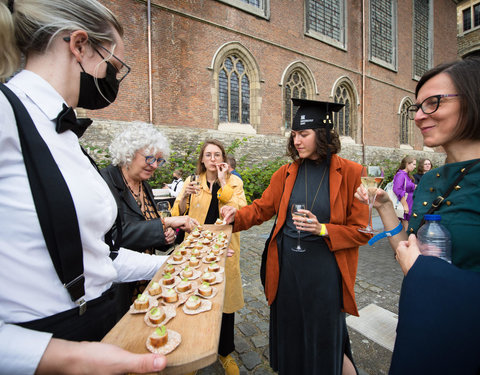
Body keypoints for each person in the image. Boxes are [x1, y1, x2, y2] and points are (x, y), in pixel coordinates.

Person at [0, 0, 167, 373]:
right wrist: (69, 359)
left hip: (105, 324)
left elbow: (99, 260)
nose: (111, 78)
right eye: (113, 65)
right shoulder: (5, 113)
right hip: (55, 345)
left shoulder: (66, 136)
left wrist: (170, 265)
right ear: (78, 45)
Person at [222, 99, 371, 375]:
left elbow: (363, 231)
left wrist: (322, 229)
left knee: (326, 339)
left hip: (324, 273)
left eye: (304, 134)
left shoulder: (352, 173)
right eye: (294, 135)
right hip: (287, 270)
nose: (297, 141)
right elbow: (261, 208)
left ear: (322, 134)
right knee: (291, 334)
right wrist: (235, 216)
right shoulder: (287, 172)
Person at [355, 57, 480, 374]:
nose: (420, 116)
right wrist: (384, 206)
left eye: (433, 103)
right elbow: (407, 253)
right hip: (419, 322)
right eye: (417, 107)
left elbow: (420, 268)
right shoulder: (429, 182)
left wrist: (425, 274)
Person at [101, 122, 197, 312]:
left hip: (146, 282)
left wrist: (166, 236)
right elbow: (110, 237)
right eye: (150, 158)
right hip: (118, 288)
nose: (154, 166)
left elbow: (150, 230)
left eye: (159, 161)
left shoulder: (144, 185)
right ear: (129, 152)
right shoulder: (105, 181)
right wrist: (166, 222)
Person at [172, 139, 246, 375]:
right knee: (193, 297)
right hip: (197, 249)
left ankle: (225, 352)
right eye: (208, 155)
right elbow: (177, 213)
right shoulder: (192, 182)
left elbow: (240, 211)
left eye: (217, 155)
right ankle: (193, 353)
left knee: (223, 302)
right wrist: (185, 197)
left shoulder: (234, 182)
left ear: (223, 159)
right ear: (202, 159)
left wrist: (223, 183)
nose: (213, 159)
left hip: (225, 249)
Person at [392, 156, 416, 230]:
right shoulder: (401, 174)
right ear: (407, 164)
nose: (415, 167)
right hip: (406, 203)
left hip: (410, 203)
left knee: (407, 227)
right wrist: (405, 205)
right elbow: (397, 189)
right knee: (406, 227)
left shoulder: (406, 175)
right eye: (414, 164)